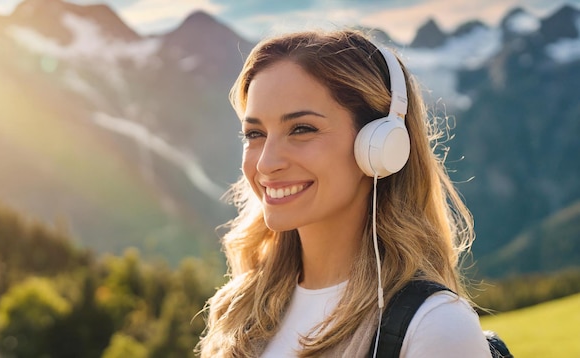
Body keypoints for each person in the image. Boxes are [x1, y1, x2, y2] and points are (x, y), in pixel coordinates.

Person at [196, 29, 491, 357]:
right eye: (254, 133)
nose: (266, 163)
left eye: (302, 129)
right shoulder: (237, 311)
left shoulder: (434, 327)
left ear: (378, 145)